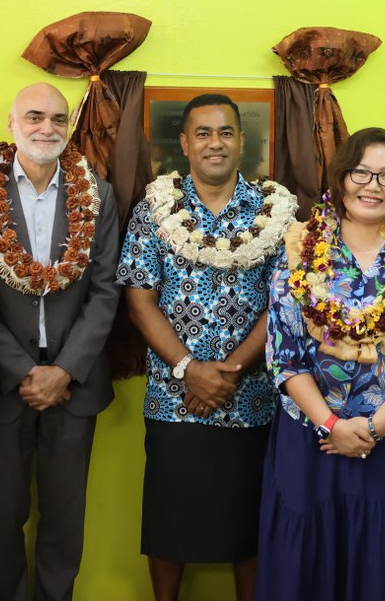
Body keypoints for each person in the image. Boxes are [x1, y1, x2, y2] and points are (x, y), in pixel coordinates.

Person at [258, 126, 385, 601]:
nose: (373, 185)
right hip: (311, 442)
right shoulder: (298, 254)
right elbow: (282, 357)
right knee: (307, 564)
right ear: (341, 178)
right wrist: (331, 426)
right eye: (361, 172)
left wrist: (371, 431)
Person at [117, 93, 297, 601]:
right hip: (174, 398)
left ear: (242, 141)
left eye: (224, 133)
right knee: (170, 520)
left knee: (251, 522)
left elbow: (285, 300)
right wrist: (188, 368)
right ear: (184, 143)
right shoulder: (153, 208)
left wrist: (230, 372)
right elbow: (138, 299)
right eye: (203, 133)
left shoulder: (279, 211)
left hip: (253, 396)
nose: (214, 143)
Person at [0, 82, 121, 601]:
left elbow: (106, 288)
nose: (47, 128)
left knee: (65, 519)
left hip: (76, 381)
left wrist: (63, 370)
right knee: (2, 519)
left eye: (58, 119)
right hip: (2, 385)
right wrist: (24, 372)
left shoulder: (99, 193)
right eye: (35, 117)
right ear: (12, 123)